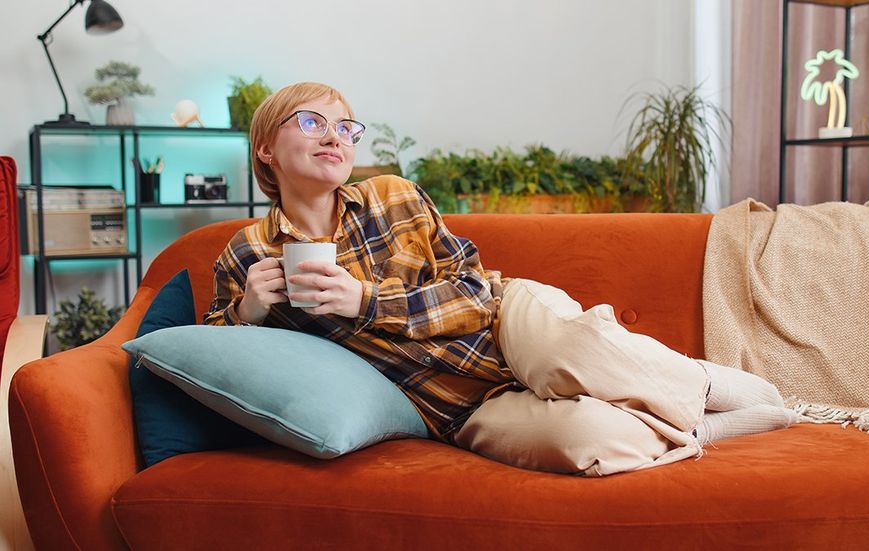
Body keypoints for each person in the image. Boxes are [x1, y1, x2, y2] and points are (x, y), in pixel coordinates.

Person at [204, 81, 802, 476]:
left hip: (502, 320)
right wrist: (248, 314)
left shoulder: (394, 197)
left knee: (576, 347)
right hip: (452, 405)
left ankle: (701, 384)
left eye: (347, 127)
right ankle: (704, 427)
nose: (335, 136)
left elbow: (469, 292)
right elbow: (215, 355)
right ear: (264, 148)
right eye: (312, 122)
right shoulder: (247, 252)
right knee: (585, 442)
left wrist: (365, 301)